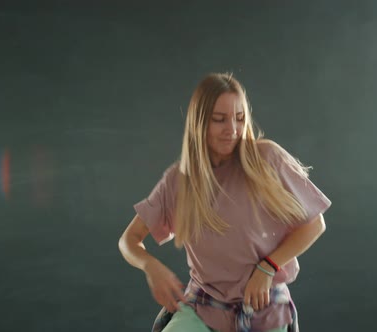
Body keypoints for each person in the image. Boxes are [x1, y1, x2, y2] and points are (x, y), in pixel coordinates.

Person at [118, 72, 331, 332]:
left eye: (239, 118)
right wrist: (150, 266)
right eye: (219, 120)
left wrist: (267, 268)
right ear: (199, 122)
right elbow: (128, 240)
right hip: (204, 307)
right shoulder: (179, 180)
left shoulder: (267, 159)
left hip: (264, 308)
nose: (232, 130)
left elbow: (314, 224)